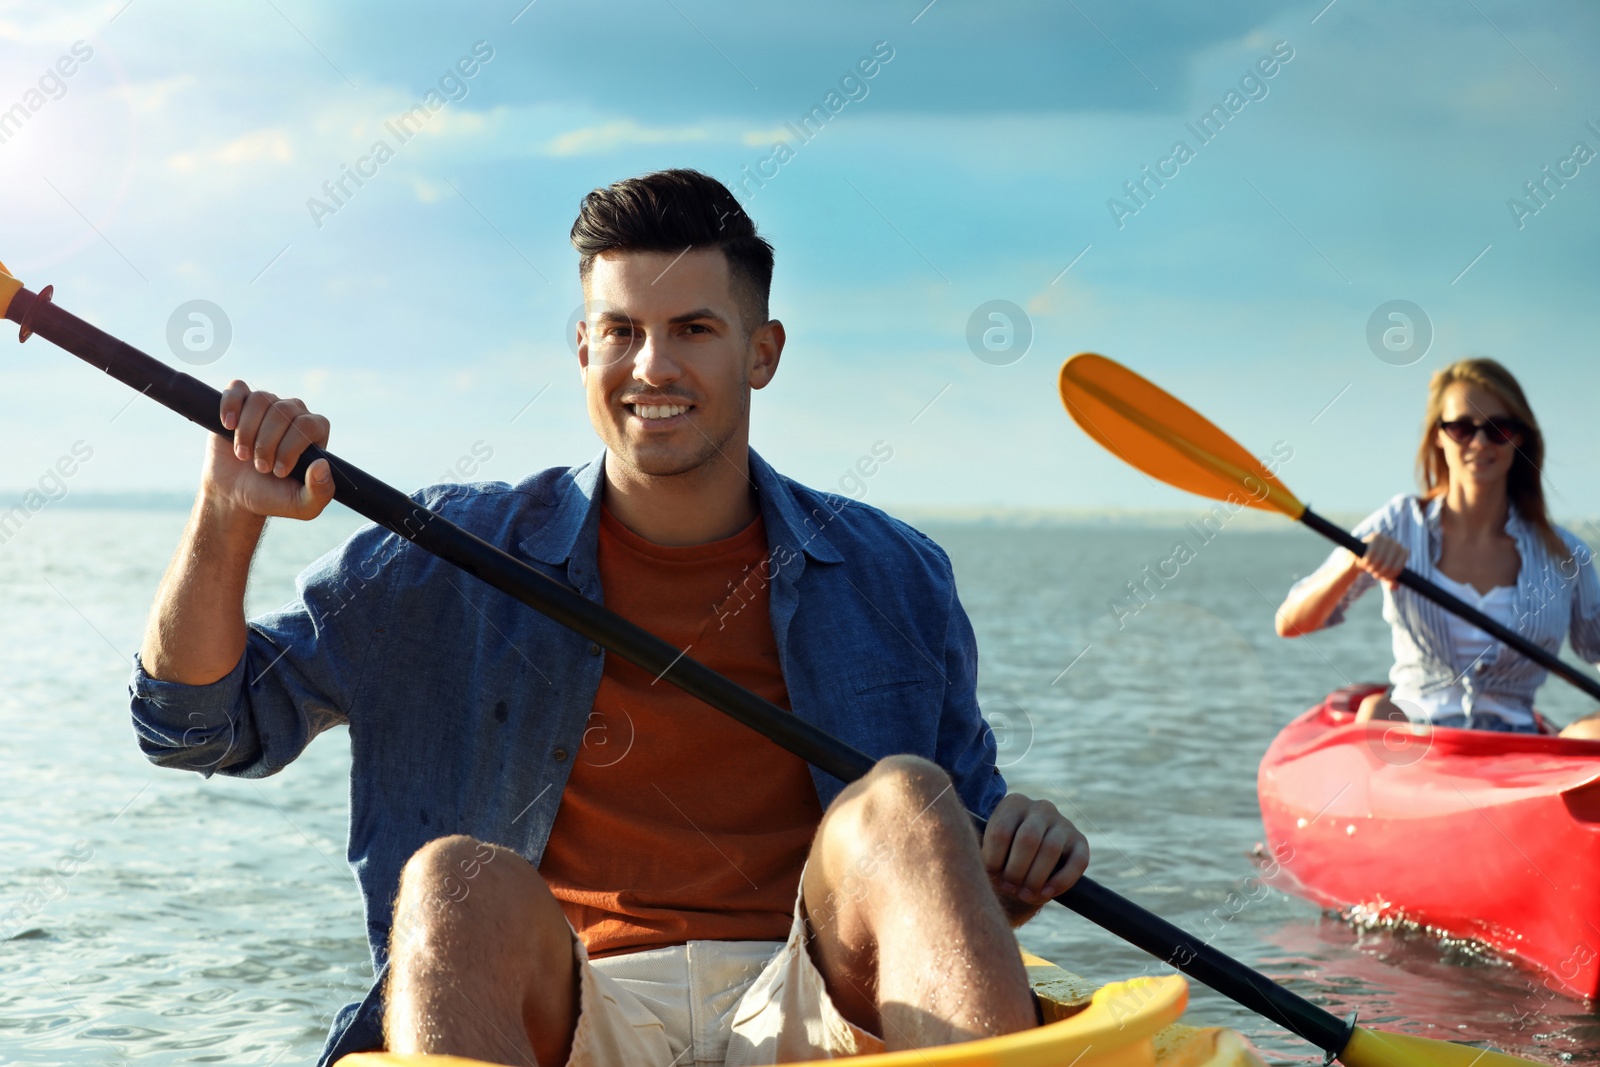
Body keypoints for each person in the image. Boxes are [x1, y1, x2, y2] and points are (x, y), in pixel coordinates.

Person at [129, 169, 1089, 1067]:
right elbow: (195, 727)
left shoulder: (898, 572)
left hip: (818, 1000)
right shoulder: (440, 550)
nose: (653, 365)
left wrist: (1011, 859)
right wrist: (226, 513)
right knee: (452, 877)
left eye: (695, 329)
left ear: (764, 351)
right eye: (621, 329)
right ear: (582, 347)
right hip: (568, 1012)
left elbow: (953, 861)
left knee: (912, 801)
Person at [1274, 358, 1600, 738]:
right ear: (1438, 437)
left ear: (1519, 438)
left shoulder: (1565, 554)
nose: (1479, 442)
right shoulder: (1398, 523)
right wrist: (1352, 561)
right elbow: (1290, 623)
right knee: (1377, 709)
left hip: (1518, 747)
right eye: (1462, 428)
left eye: (1499, 429)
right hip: (1415, 737)